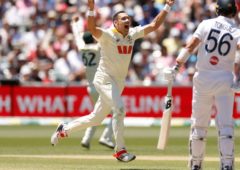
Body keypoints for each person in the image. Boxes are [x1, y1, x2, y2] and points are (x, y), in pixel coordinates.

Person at [51, 0, 175, 162]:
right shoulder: (108, 35)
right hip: (104, 79)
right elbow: (92, 29)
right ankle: (120, 151)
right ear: (115, 22)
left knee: (96, 118)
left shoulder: (132, 34)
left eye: (128, 19)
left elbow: (154, 25)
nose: (127, 21)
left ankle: (64, 129)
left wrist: (167, 7)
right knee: (120, 109)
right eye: (123, 19)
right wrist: (90, 9)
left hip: (118, 82)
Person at [165, 0, 240, 169]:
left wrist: (176, 67)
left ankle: (195, 165)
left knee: (198, 124)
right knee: (225, 126)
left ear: (217, 10)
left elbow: (190, 47)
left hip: (203, 78)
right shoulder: (237, 31)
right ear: (234, 12)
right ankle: (227, 165)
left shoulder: (206, 24)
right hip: (225, 80)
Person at [70, 15, 114, 150]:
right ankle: (106, 137)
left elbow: (78, 36)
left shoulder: (82, 49)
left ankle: (86, 139)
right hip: (100, 85)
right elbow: (105, 36)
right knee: (119, 111)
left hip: (90, 87)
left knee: (97, 114)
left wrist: (74, 24)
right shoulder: (98, 48)